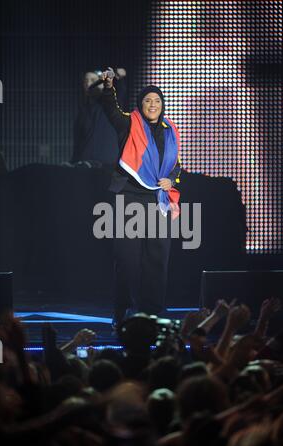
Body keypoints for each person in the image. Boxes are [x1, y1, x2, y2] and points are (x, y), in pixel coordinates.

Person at [100, 72, 181, 328]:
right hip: (129, 198)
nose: (152, 105)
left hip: (157, 199)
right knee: (127, 259)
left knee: (157, 259)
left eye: (157, 100)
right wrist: (108, 86)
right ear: (140, 104)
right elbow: (111, 110)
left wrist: (171, 180)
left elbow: (175, 166)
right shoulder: (128, 123)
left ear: (162, 104)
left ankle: (153, 312)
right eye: (147, 101)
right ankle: (122, 310)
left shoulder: (171, 131)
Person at [71, 68, 127, 167]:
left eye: (92, 80)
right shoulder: (82, 109)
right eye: (86, 81)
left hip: (107, 167)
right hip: (85, 166)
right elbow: (78, 142)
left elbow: (116, 92)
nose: (88, 84)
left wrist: (119, 78)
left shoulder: (110, 104)